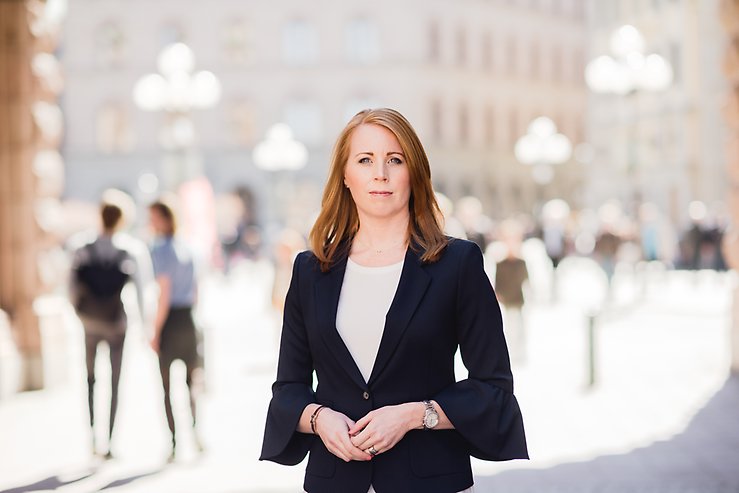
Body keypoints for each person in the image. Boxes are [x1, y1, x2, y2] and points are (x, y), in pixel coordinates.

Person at [260, 108, 528, 493]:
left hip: (431, 480)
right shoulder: (310, 270)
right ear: (345, 176)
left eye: (395, 160)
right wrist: (319, 419)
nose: (380, 173)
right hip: (335, 481)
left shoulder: (458, 264)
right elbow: (288, 390)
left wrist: (415, 415)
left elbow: (494, 389)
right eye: (365, 160)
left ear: (413, 173)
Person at [69, 190, 154, 459]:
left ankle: (93, 438)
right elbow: (142, 291)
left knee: (90, 379)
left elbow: (70, 287)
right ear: (123, 219)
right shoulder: (131, 249)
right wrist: (146, 325)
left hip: (90, 322)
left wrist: (78, 313)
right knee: (115, 382)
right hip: (117, 323)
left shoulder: (82, 246)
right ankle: (110, 441)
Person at [148, 197, 204, 461]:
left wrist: (155, 330)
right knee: (191, 383)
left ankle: (173, 443)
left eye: (153, 217)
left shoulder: (160, 250)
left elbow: (164, 293)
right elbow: (196, 290)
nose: (150, 222)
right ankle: (195, 434)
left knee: (167, 387)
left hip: (170, 321)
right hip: (188, 318)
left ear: (164, 219)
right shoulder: (189, 247)